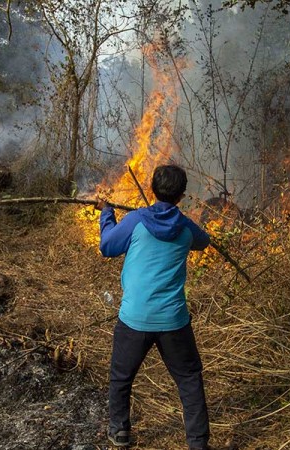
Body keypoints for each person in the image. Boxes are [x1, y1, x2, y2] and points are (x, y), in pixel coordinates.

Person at [95, 165, 211, 450]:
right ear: (182, 195)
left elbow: (107, 247)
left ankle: (120, 433)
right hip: (174, 321)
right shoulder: (185, 227)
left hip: (135, 319)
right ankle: (197, 443)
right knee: (189, 380)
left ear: (151, 190)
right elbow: (204, 241)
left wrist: (106, 213)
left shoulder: (136, 220)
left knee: (121, 378)